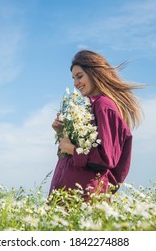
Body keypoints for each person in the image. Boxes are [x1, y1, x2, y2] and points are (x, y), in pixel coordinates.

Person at [50, 50, 143, 198]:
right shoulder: (88, 107)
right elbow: (68, 157)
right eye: (73, 78)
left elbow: (106, 158)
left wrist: (72, 149)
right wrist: (61, 132)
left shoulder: (103, 106)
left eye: (80, 76)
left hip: (86, 196)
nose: (76, 83)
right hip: (68, 195)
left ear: (94, 73)